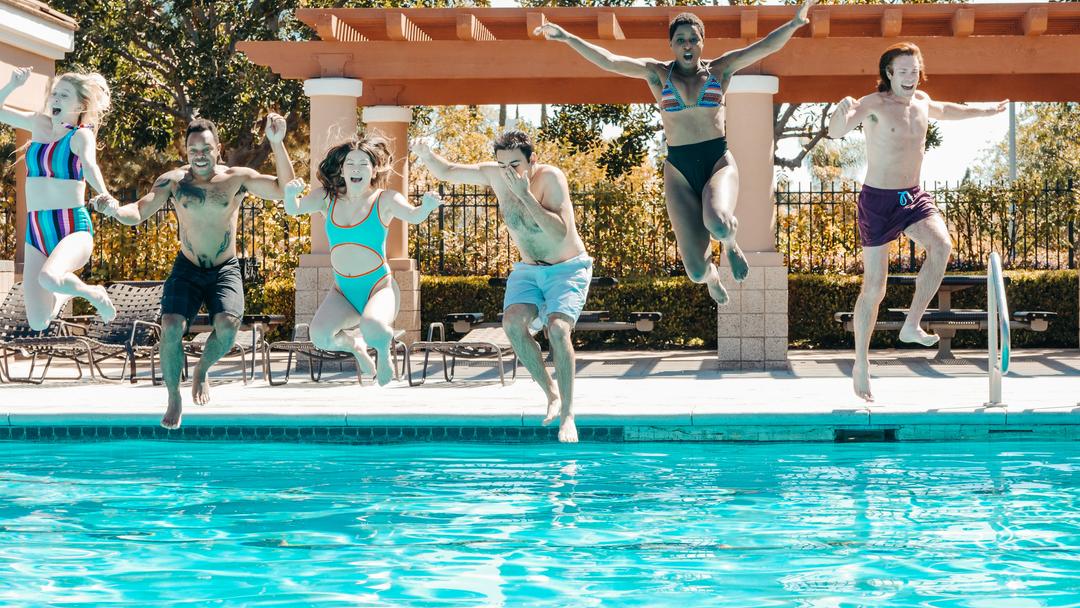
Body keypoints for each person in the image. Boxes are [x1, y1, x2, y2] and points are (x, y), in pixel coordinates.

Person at [535, 2, 813, 305]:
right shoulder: (658, 74)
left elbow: (764, 47)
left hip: (717, 162)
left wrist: (794, 23)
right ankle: (712, 277)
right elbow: (610, 61)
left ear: (703, 42)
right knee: (696, 271)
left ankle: (731, 245)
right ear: (671, 45)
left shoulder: (720, 70)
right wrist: (567, 37)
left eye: (693, 39)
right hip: (679, 171)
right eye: (680, 40)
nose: (687, 45)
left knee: (719, 223)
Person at [828, 42, 1007, 401]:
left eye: (914, 70)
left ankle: (912, 323)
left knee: (941, 245)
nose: (910, 77)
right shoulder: (874, 104)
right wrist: (839, 111)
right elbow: (836, 131)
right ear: (889, 73)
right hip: (878, 202)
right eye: (903, 71)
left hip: (911, 196)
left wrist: (987, 111)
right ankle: (861, 362)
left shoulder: (922, 102)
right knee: (874, 288)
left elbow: (951, 110)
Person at [93, 115, 294, 428]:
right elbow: (139, 211)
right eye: (193, 150)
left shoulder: (236, 178)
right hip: (187, 267)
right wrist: (115, 209)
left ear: (218, 149)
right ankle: (174, 395)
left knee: (227, 327)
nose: (199, 155)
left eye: (206, 149)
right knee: (171, 326)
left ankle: (201, 370)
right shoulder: (174, 181)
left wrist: (277, 144)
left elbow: (284, 189)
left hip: (224, 268)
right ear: (186, 151)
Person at [414, 131, 591, 443]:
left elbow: (560, 233)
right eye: (502, 165)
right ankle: (551, 394)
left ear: (532, 160)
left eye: (515, 165)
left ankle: (568, 414)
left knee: (558, 329)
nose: (508, 172)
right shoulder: (495, 175)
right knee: (511, 325)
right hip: (529, 270)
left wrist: (525, 195)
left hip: (566, 269)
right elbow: (448, 171)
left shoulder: (551, 179)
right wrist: (426, 155)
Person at [281, 135, 444, 387]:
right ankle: (355, 347)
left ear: (374, 170)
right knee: (320, 337)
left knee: (373, 327)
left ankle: (382, 351)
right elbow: (294, 209)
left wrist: (427, 206)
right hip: (343, 291)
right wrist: (290, 195)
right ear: (342, 170)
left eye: (363, 164)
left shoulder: (385, 199)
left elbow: (414, 216)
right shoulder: (327, 198)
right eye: (350, 164)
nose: (356, 169)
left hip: (379, 287)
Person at [0, 67, 118, 328]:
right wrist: (13, 85)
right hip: (36, 229)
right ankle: (65, 293)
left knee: (49, 278)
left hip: (71, 226)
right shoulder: (38, 124)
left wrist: (104, 193)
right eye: (54, 94)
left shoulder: (80, 135)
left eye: (64, 95)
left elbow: (89, 166)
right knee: (38, 321)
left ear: (80, 106)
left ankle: (94, 293)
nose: (55, 99)